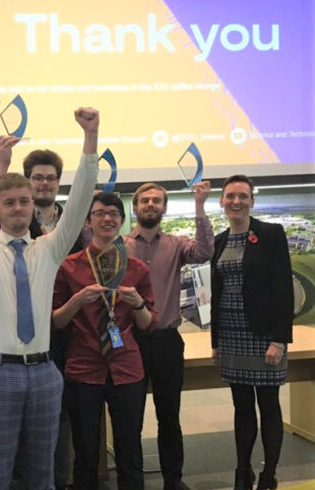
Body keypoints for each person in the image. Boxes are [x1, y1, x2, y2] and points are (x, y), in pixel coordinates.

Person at [0, 103, 99, 490]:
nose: (18, 208)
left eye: (24, 201)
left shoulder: (49, 249)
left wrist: (90, 138)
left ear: (33, 205)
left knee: (43, 475)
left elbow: (81, 200)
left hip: (45, 373)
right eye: (10, 203)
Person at [52, 192, 157, 490]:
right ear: (87, 222)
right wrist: (76, 301)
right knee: (85, 453)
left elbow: (148, 325)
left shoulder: (137, 269)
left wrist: (138, 304)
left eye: (114, 213)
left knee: (130, 450)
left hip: (127, 369)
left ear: (123, 221)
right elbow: (57, 322)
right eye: (99, 213)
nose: (107, 218)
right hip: (84, 368)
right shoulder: (70, 267)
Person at [123, 181, 214, 490]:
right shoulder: (119, 245)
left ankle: (173, 481)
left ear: (164, 208)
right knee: (129, 418)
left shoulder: (177, 245)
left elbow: (205, 251)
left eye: (157, 201)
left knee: (169, 417)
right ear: (134, 208)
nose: (151, 204)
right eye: (145, 200)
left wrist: (200, 205)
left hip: (166, 340)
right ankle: (131, 481)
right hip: (129, 341)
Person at [210, 175, 293, 490]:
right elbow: (217, 295)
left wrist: (279, 339)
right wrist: (216, 340)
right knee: (241, 406)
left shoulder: (270, 234)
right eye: (230, 195)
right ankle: (242, 472)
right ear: (222, 201)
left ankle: (269, 476)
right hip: (231, 333)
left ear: (251, 201)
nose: (236, 201)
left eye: (243, 196)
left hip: (263, 335)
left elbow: (283, 289)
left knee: (269, 404)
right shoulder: (219, 240)